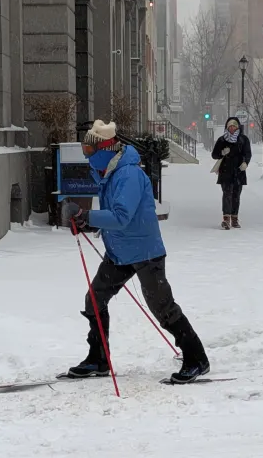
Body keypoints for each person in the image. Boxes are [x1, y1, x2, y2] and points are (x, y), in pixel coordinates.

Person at [61, 120, 210, 384]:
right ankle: (98, 358)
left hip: (145, 252)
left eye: (89, 150)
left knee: (163, 307)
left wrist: (88, 215)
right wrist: (85, 222)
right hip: (119, 252)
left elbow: (121, 217)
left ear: (105, 149)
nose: (87, 156)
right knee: (94, 299)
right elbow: (113, 218)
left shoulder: (128, 175)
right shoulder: (110, 172)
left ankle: (197, 359)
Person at [211, 117, 252, 230]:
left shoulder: (243, 139)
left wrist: (245, 163)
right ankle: (226, 218)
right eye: (230, 126)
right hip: (225, 171)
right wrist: (222, 152)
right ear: (227, 127)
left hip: (239, 171)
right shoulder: (222, 140)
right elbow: (214, 155)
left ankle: (234, 218)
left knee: (236, 195)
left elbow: (248, 153)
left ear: (238, 127)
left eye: (234, 126)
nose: (232, 128)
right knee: (227, 194)